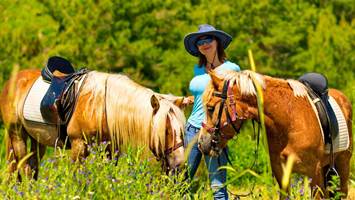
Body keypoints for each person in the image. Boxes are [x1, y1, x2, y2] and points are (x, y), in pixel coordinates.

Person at [182, 24, 240, 200]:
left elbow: (235, 99)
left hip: (214, 130)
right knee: (182, 182)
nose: (204, 44)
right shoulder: (198, 70)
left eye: (208, 39)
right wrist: (186, 100)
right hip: (192, 128)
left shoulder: (232, 69)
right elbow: (203, 97)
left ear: (217, 42)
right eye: (200, 41)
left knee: (218, 187)